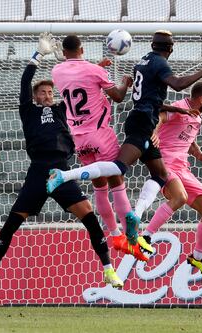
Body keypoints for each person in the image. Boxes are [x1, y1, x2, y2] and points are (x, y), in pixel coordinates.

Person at [47, 30, 202, 251]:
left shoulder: (143, 61)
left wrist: (171, 116)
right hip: (133, 125)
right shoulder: (158, 63)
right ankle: (65, 176)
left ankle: (136, 219)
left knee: (159, 175)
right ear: (170, 48)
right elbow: (176, 84)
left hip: (111, 128)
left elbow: (149, 100)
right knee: (118, 170)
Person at [0, 33, 124, 291]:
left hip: (63, 171)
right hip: (38, 171)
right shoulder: (28, 111)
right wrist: (37, 55)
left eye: (49, 91)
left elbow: (81, 91)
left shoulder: (61, 109)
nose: (46, 95)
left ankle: (109, 269)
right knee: (12, 221)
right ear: (35, 97)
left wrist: (96, 69)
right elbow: (24, 82)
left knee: (89, 217)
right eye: (42, 92)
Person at [51, 34, 148, 262]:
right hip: (100, 133)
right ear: (82, 49)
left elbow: (77, 77)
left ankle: (114, 235)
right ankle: (130, 235)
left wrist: (97, 68)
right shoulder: (95, 72)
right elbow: (117, 97)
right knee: (117, 182)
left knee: (99, 187)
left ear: (64, 52)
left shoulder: (57, 72)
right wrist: (125, 81)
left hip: (79, 138)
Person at [139, 81, 202, 278]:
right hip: (165, 163)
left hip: (183, 169)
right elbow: (160, 116)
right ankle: (146, 237)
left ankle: (197, 257)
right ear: (201, 99)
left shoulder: (198, 117)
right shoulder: (181, 107)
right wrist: (155, 132)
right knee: (180, 198)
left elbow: (190, 142)